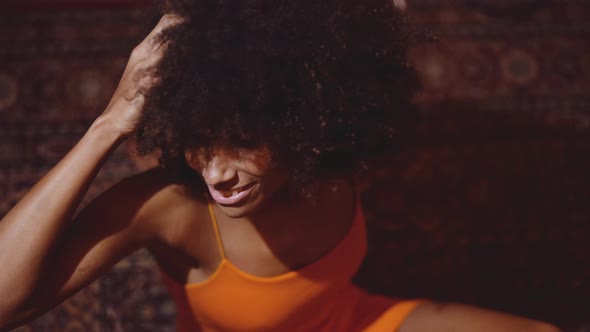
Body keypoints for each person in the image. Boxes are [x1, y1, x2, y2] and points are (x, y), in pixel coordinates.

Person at [0, 0, 561, 331]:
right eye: (198, 138)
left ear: (308, 118)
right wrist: (107, 126)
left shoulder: (331, 150)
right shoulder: (171, 208)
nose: (215, 172)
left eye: (242, 140)